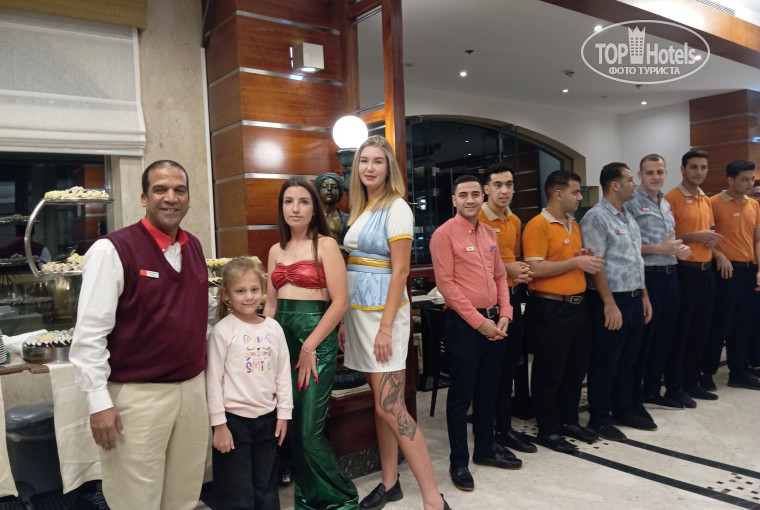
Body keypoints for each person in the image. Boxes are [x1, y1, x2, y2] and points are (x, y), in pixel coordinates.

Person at [70, 160, 211, 510]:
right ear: (144, 198)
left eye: (179, 190)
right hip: (138, 398)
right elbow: (89, 336)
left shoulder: (193, 246)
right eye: (160, 190)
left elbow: (199, 309)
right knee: (136, 499)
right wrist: (99, 404)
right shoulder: (112, 250)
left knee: (184, 496)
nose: (171, 197)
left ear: (189, 198)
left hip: (192, 392)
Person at [341, 136, 450, 510]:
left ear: (389, 168)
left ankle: (432, 498)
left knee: (392, 407)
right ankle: (390, 483)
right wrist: (344, 321)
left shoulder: (397, 207)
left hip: (382, 318)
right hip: (359, 315)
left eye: (378, 161)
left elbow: (401, 270)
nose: (369, 167)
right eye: (364, 161)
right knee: (380, 406)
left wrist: (386, 327)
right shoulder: (362, 207)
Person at [263, 176, 359, 510]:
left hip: (315, 342)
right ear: (281, 208)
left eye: (303, 201)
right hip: (282, 342)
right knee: (290, 426)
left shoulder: (326, 245)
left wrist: (309, 347)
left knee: (308, 431)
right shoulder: (276, 250)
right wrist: (263, 346)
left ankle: (339, 497)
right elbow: (271, 305)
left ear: (314, 208)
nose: (296, 208)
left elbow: (340, 302)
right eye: (289, 201)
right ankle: (307, 497)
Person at [430, 174, 516, 493]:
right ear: (454, 200)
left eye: (475, 194)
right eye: (463, 194)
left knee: (488, 392)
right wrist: (480, 323)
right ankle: (459, 462)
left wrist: (505, 313)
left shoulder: (489, 233)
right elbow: (447, 286)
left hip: (495, 323)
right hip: (464, 327)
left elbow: (500, 277)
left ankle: (485, 449)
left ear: (483, 197)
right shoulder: (443, 235)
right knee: (460, 397)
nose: (470, 199)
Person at [522, 170, 604, 453]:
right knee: (549, 372)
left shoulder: (574, 224)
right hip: (550, 307)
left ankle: (569, 421)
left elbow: (568, 261)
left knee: (575, 370)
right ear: (558, 194)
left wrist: (581, 260)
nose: (580, 197)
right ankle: (548, 429)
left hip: (578, 307)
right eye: (575, 192)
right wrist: (575, 264)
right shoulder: (537, 225)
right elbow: (534, 268)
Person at [207, 257, 293, 510]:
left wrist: (284, 414)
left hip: (268, 420)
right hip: (233, 423)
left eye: (254, 289)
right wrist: (219, 425)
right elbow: (213, 381)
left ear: (263, 290)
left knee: (266, 487)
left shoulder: (273, 329)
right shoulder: (223, 331)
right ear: (226, 295)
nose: (248, 297)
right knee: (237, 492)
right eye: (240, 291)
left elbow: (282, 374)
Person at [581, 162, 652, 442]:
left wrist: (644, 295)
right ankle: (599, 418)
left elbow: (636, 260)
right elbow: (595, 265)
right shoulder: (596, 218)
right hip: (610, 300)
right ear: (615, 185)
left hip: (633, 296)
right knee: (606, 362)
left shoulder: (627, 217)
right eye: (630, 179)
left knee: (629, 360)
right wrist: (609, 303)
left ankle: (624, 409)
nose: (635, 184)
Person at [624, 155, 691, 411]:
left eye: (660, 172)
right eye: (650, 172)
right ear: (640, 175)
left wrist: (679, 250)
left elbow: (668, 244)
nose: (655, 177)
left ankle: (652, 390)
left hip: (671, 274)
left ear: (666, 173)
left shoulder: (665, 203)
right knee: (645, 339)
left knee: (666, 336)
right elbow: (627, 246)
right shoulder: (631, 203)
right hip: (647, 277)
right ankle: (635, 395)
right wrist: (658, 249)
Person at [477, 164, 534, 455]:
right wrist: (508, 268)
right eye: (498, 185)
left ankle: (505, 427)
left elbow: (510, 259)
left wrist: (519, 271)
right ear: (486, 189)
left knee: (511, 366)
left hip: (511, 299)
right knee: (491, 371)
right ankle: (487, 433)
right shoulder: (476, 218)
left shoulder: (514, 220)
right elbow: (475, 265)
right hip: (487, 303)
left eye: (509, 185)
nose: (504, 190)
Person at [662, 150, 722, 408]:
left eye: (704, 167)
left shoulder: (705, 198)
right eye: (694, 167)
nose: (699, 172)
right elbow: (668, 239)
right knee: (682, 332)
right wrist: (694, 237)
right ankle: (675, 386)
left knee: (701, 329)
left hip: (705, 270)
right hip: (684, 271)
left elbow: (707, 231)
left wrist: (712, 243)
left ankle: (692, 380)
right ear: (683, 169)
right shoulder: (671, 199)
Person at [701, 160, 760, 391]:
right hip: (725, 270)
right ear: (730, 180)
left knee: (744, 324)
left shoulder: (753, 205)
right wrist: (719, 256)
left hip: (748, 269)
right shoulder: (713, 203)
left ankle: (738, 372)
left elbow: (757, 240)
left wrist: (759, 269)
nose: (749, 184)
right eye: (744, 179)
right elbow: (706, 238)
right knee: (720, 323)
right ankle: (706, 372)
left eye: (751, 179)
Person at [316, 172, 350, 244]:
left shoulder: (347, 219)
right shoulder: (311, 217)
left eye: (334, 187)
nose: (329, 189)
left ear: (339, 193)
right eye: (324, 187)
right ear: (318, 192)